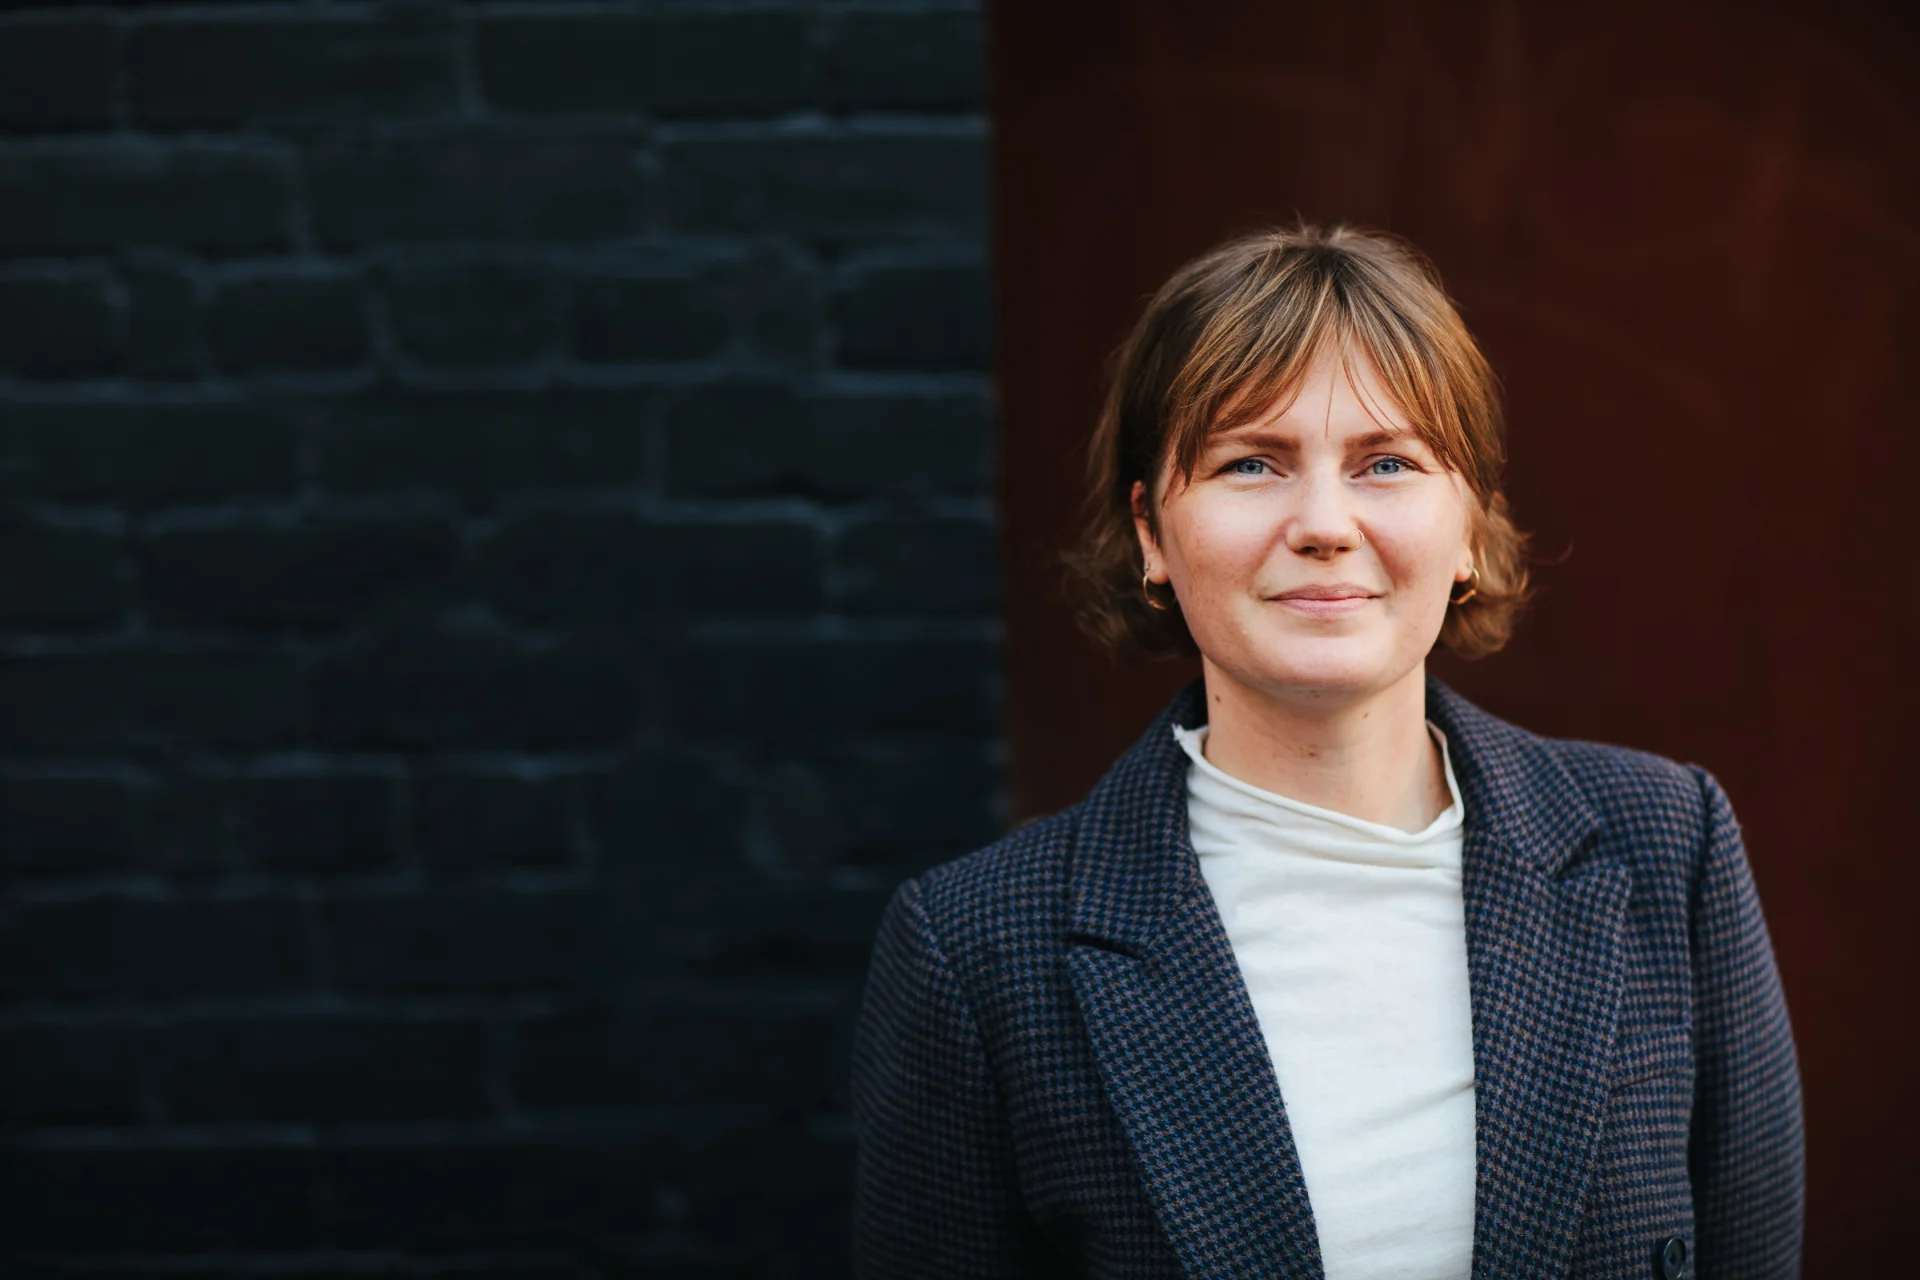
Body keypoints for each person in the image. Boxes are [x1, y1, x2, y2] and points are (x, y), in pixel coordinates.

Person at [849, 225, 1803, 1279]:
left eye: (1386, 462)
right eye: (1251, 462)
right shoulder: (976, 948)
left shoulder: (1669, 847)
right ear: (1153, 533)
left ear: (1472, 527)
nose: (1324, 523)